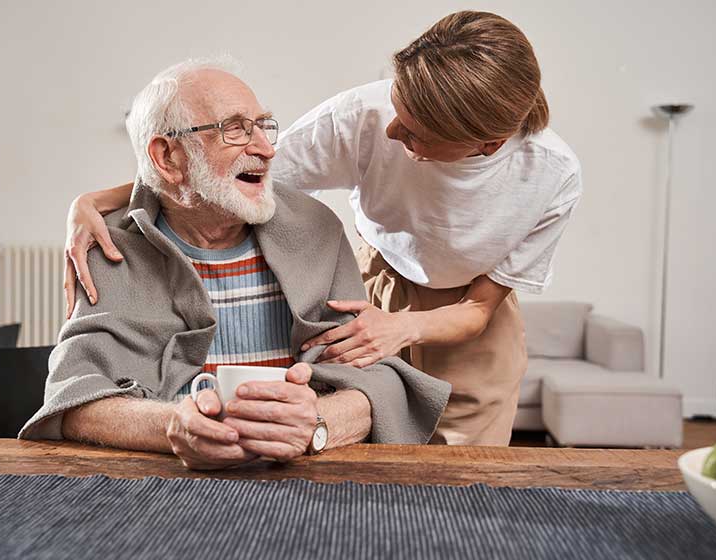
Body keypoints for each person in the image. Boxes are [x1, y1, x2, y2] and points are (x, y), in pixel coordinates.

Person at [62, 11, 582, 446]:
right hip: (376, 279)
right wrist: (96, 200)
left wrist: (400, 331)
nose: (392, 128)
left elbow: (479, 308)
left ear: (484, 145)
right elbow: (223, 173)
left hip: (467, 312)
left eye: (414, 132)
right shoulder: (361, 116)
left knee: (464, 475)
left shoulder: (550, 176)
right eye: (395, 107)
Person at [19, 60, 452, 470]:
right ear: (168, 157)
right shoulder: (108, 245)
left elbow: (376, 382)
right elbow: (73, 400)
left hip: (308, 479)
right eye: (235, 129)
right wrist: (172, 427)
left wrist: (316, 423)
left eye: (264, 126)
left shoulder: (316, 229)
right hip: (164, 482)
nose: (265, 148)